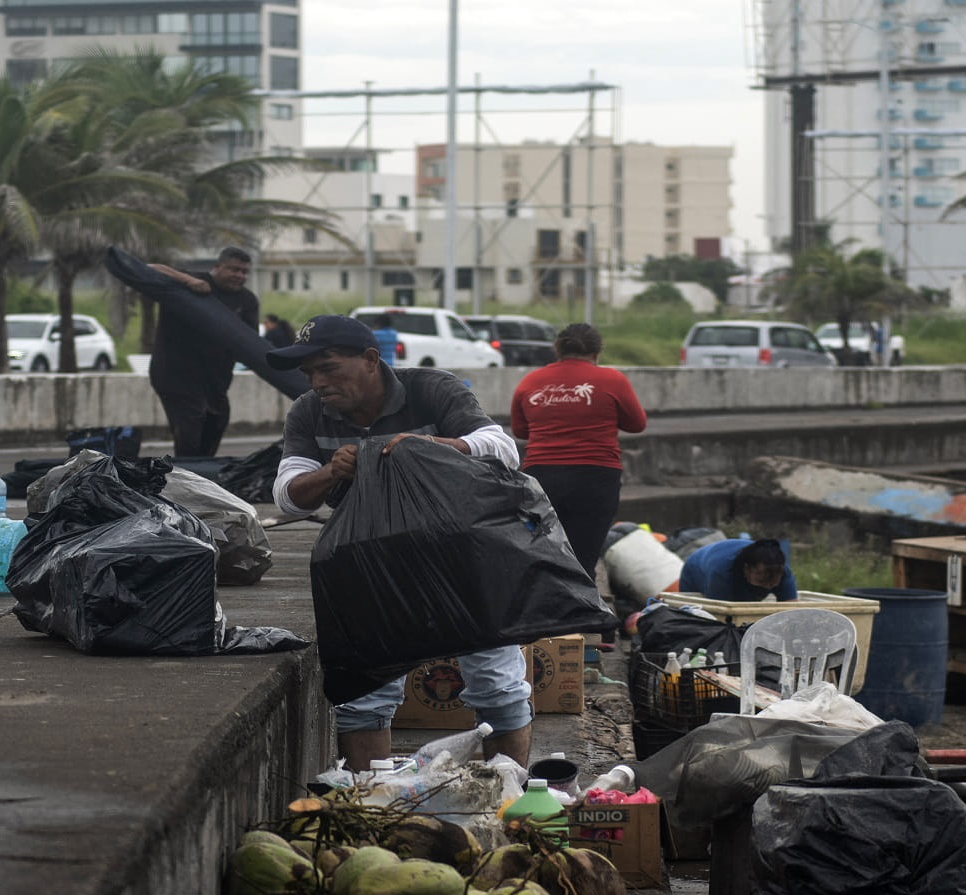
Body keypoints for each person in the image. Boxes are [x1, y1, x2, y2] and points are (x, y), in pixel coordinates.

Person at [268, 315, 531, 770]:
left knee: (495, 684)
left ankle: (512, 794)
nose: (318, 383)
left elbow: (502, 448)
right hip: (370, 565)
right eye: (309, 373)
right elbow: (286, 497)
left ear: (370, 360)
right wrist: (332, 471)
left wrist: (430, 447)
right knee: (366, 692)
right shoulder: (309, 410)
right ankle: (375, 801)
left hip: (461, 556)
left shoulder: (432, 388)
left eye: (328, 368)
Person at [509, 322, 647, 581]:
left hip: (541, 477)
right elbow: (637, 424)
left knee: (543, 550)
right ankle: (579, 613)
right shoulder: (613, 380)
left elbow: (520, 430)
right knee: (584, 555)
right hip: (595, 478)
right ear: (597, 353)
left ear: (557, 350)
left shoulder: (531, 381)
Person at [146, 247, 259, 458]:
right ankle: (185, 478)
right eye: (234, 269)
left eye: (244, 272)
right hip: (176, 374)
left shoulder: (247, 301)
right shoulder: (190, 282)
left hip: (215, 380)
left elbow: (251, 342)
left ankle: (200, 475)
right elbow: (150, 269)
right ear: (217, 267)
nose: (239, 276)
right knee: (190, 428)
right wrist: (188, 282)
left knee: (216, 423)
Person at [677, 537, 798, 603]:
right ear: (747, 569)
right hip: (696, 569)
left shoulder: (782, 572)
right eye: (762, 580)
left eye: (772, 583)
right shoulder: (721, 572)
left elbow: (790, 610)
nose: (767, 587)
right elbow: (718, 613)